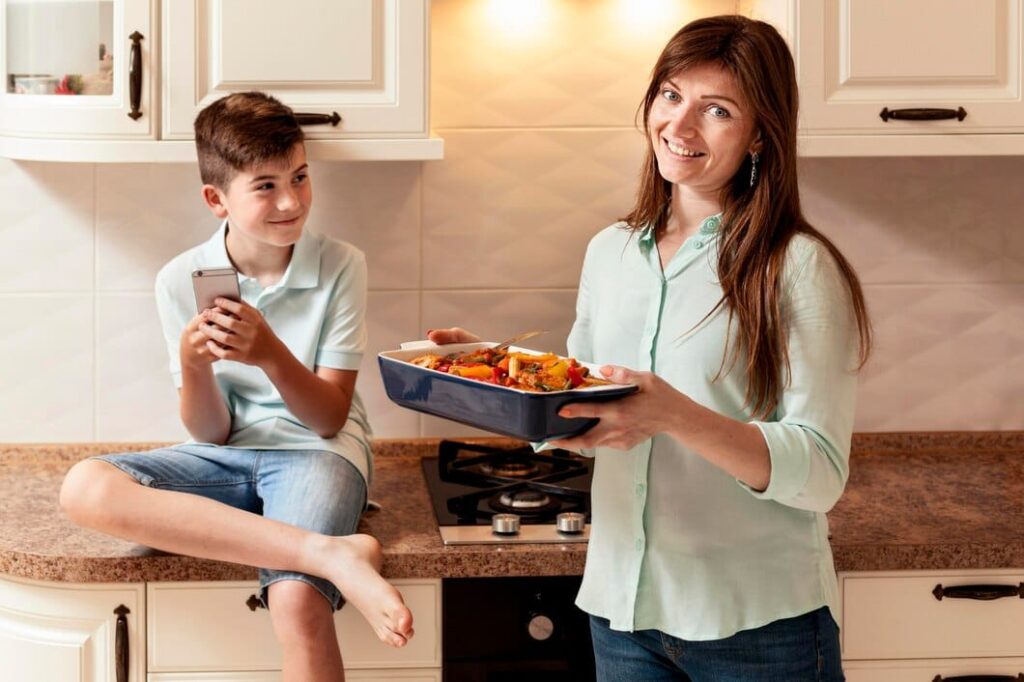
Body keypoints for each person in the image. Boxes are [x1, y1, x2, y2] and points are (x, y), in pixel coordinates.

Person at [428, 15, 870, 681]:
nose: (679, 126)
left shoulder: (797, 266)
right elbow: (584, 409)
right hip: (623, 616)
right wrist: (499, 372)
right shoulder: (610, 252)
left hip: (758, 626)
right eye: (670, 95)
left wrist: (674, 414)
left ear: (760, 133)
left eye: (717, 110)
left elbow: (821, 472)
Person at [60, 91, 414, 680]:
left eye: (300, 177)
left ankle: (318, 559)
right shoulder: (179, 279)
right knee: (85, 486)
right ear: (215, 199)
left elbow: (329, 417)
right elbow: (211, 432)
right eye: (265, 186)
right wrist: (193, 364)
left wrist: (270, 352)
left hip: (318, 454)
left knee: (296, 600)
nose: (291, 201)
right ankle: (331, 552)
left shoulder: (341, 265)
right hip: (225, 457)